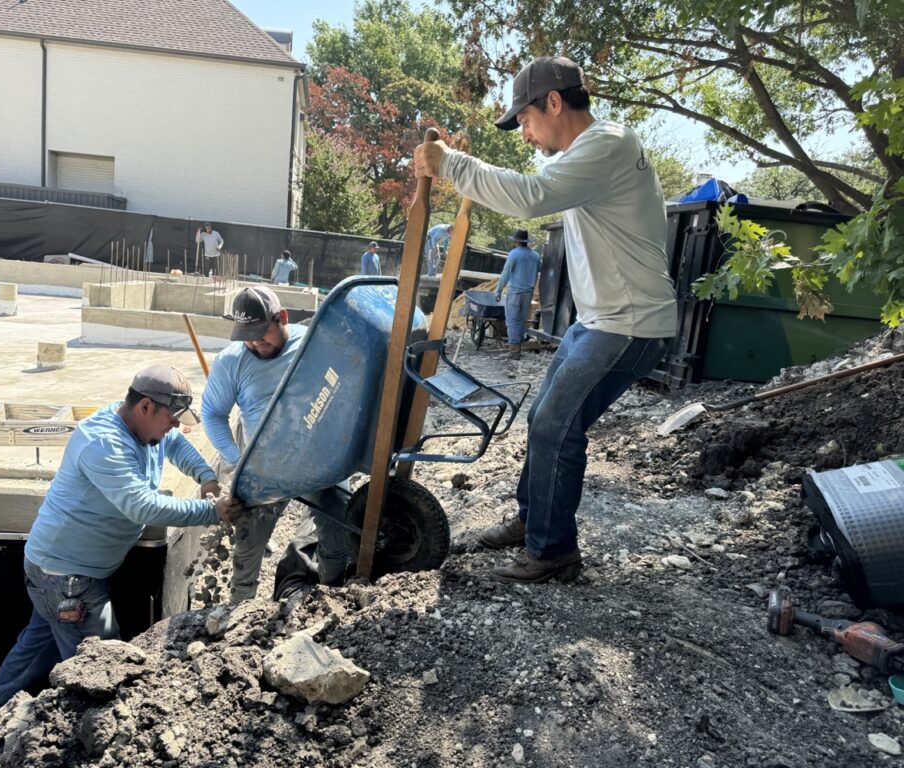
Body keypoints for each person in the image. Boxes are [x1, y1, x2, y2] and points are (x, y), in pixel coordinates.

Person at [414, 55, 677, 584]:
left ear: (554, 102)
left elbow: (530, 198)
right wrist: (457, 166)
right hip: (602, 321)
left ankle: (552, 551)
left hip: (628, 325)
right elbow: (531, 185)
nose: (526, 134)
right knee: (543, 420)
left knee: (559, 424)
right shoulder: (587, 155)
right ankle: (535, 521)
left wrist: (451, 164)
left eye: (527, 120)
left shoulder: (607, 145)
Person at [0, 365, 228, 716]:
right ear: (146, 406)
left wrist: (207, 478)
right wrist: (214, 511)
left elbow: (177, 443)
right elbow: (141, 506)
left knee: (25, 667)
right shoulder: (103, 442)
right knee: (103, 674)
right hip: (67, 581)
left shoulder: (146, 427)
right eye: (171, 416)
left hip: (60, 573)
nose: (175, 425)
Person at [203, 286, 349, 603]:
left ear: (281, 317)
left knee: (337, 529)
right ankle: (240, 610)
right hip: (264, 468)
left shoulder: (314, 344)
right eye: (246, 334)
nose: (255, 341)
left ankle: (332, 598)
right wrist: (238, 460)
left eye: (260, 332)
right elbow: (213, 414)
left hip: (319, 461)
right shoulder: (231, 363)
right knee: (248, 542)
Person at [496, 228, 541, 359]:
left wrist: (498, 290)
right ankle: (518, 348)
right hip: (528, 293)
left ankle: (514, 352)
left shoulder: (514, 254)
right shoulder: (536, 256)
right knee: (521, 320)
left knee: (512, 321)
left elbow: (505, 274)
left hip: (515, 292)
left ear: (516, 241)